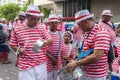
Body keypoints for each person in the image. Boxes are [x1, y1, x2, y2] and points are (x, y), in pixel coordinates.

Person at [10, 5, 52, 80]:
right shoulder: (17, 29)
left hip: (41, 64)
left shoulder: (41, 28)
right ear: (27, 17)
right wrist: (19, 49)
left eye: (38, 19)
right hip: (25, 66)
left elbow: (50, 40)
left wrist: (43, 42)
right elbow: (12, 44)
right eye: (33, 19)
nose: (36, 21)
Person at [66, 9, 110, 80]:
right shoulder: (87, 32)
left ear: (86, 22)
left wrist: (77, 63)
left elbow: (97, 56)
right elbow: (88, 50)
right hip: (84, 72)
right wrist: (79, 55)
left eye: (79, 25)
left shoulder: (100, 33)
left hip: (95, 75)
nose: (79, 28)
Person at [46, 13, 64, 80]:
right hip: (47, 61)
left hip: (58, 61)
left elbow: (61, 49)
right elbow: (40, 49)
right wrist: (52, 58)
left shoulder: (60, 34)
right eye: (52, 23)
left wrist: (62, 59)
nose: (54, 24)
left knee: (57, 77)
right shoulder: (44, 33)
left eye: (56, 22)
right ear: (48, 24)